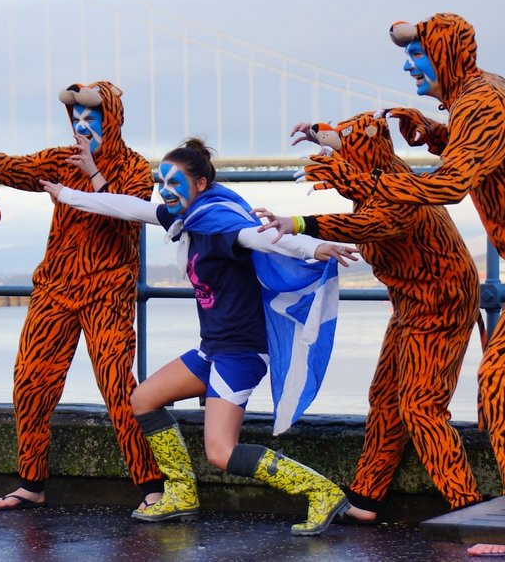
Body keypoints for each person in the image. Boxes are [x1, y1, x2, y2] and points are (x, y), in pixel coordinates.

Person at [304, 12, 505, 557]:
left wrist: (380, 181)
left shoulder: (483, 100)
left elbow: (451, 185)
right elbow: (479, 150)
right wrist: (435, 133)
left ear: (447, 54)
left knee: (502, 381)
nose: (407, 65)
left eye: (418, 55)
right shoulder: (483, 95)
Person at [40, 137, 359, 535]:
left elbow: (260, 236)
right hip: (213, 350)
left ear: (202, 184)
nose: (165, 190)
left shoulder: (221, 225)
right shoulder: (187, 217)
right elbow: (130, 206)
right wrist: (67, 192)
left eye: (175, 182)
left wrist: (313, 247)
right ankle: (181, 494)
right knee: (143, 399)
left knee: (220, 452)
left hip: (241, 354)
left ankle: (322, 492)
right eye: (162, 181)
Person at [254, 111, 483, 523]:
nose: (337, 166)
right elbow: (354, 143)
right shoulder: (376, 176)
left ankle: (468, 506)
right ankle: (366, 498)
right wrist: (316, 133)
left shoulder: (396, 192)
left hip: (442, 300)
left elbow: (368, 225)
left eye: (344, 157)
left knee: (420, 405)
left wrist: (299, 223)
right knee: (384, 396)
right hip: (411, 301)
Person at [0, 81, 165, 512]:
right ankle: (31, 482)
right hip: (55, 288)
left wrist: (93, 173)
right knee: (30, 381)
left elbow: (128, 213)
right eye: (76, 118)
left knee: (118, 388)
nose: (82, 126)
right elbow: (23, 167)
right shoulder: (59, 158)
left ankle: (152, 487)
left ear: (112, 119)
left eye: (91, 117)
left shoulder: (136, 167)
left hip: (107, 290)